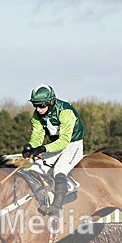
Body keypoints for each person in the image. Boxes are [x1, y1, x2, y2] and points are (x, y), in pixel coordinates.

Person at [21, 84, 85, 218]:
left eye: (42, 106)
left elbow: (64, 141)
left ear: (51, 102)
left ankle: (57, 206)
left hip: (72, 144)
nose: (38, 109)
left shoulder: (66, 112)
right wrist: (30, 146)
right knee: (34, 169)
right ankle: (43, 202)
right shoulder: (37, 115)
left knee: (59, 170)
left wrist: (43, 148)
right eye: (35, 105)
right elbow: (37, 136)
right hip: (55, 145)